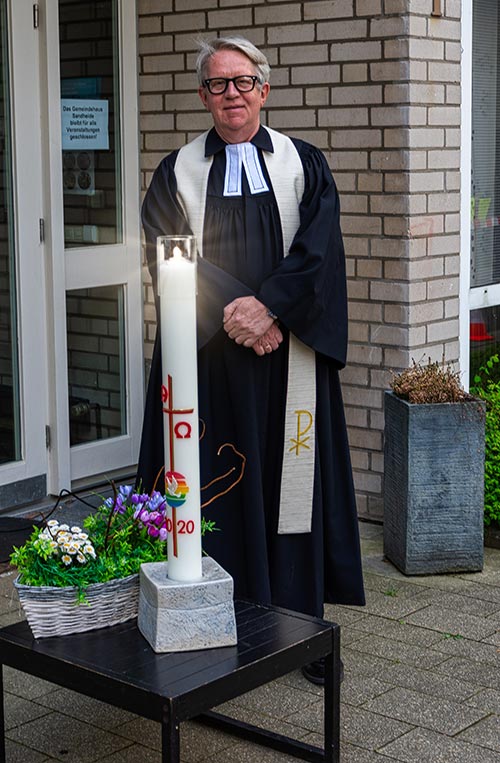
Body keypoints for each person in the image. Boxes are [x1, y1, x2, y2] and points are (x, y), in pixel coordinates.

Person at [137, 36, 365, 681]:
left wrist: (271, 311)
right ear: (203, 96)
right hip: (206, 355)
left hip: (286, 350)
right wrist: (241, 311)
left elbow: (320, 251)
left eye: (242, 82)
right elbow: (167, 247)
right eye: (217, 84)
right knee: (215, 483)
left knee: (293, 489)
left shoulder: (303, 163)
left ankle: (297, 630)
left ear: (264, 89)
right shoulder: (176, 170)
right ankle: (211, 623)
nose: (230, 94)